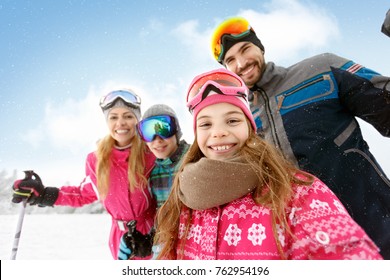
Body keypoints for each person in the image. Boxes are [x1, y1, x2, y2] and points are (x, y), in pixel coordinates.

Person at [209, 17, 390, 259]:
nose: (241, 63)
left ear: (259, 47)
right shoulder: (243, 120)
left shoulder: (321, 69)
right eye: (230, 60)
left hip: (376, 223)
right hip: (311, 246)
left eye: (245, 50)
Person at [154, 68, 382, 260]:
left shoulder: (297, 193)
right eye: (205, 125)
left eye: (232, 120)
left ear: (250, 127)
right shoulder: (181, 200)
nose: (219, 132)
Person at [11, 89, 156, 259]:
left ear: (137, 120)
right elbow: (83, 194)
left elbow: (166, 196)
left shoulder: (151, 153)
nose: (121, 123)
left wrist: (154, 234)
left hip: (152, 237)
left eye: (128, 116)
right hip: (119, 240)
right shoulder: (97, 160)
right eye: (114, 117)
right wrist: (45, 194)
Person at [117, 104, 190, 260]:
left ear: (176, 130)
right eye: (149, 133)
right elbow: (162, 214)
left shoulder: (193, 158)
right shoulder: (154, 171)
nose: (157, 140)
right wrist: (148, 241)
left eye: (164, 129)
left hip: (194, 244)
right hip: (164, 247)